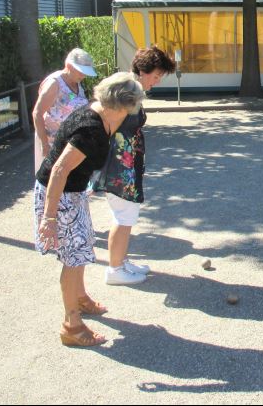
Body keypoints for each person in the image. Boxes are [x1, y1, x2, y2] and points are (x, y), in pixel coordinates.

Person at [34, 72, 145, 347]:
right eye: (133, 108)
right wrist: (49, 218)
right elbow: (58, 171)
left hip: (73, 192)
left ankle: (80, 299)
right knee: (73, 258)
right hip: (59, 194)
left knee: (82, 251)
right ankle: (71, 325)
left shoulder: (102, 115)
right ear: (120, 107)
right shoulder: (91, 130)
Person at [90, 46, 176, 286]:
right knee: (124, 216)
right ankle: (115, 269)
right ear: (142, 69)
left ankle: (122, 261)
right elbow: (101, 121)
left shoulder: (133, 90)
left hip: (127, 163)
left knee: (127, 214)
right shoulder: (124, 90)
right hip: (119, 167)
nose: (157, 81)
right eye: (156, 76)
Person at [32, 48, 97, 171]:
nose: (83, 75)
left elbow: (72, 102)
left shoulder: (76, 81)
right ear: (68, 66)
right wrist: (45, 145)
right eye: (80, 71)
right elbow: (37, 113)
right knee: (54, 180)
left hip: (71, 142)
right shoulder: (54, 83)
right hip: (53, 143)